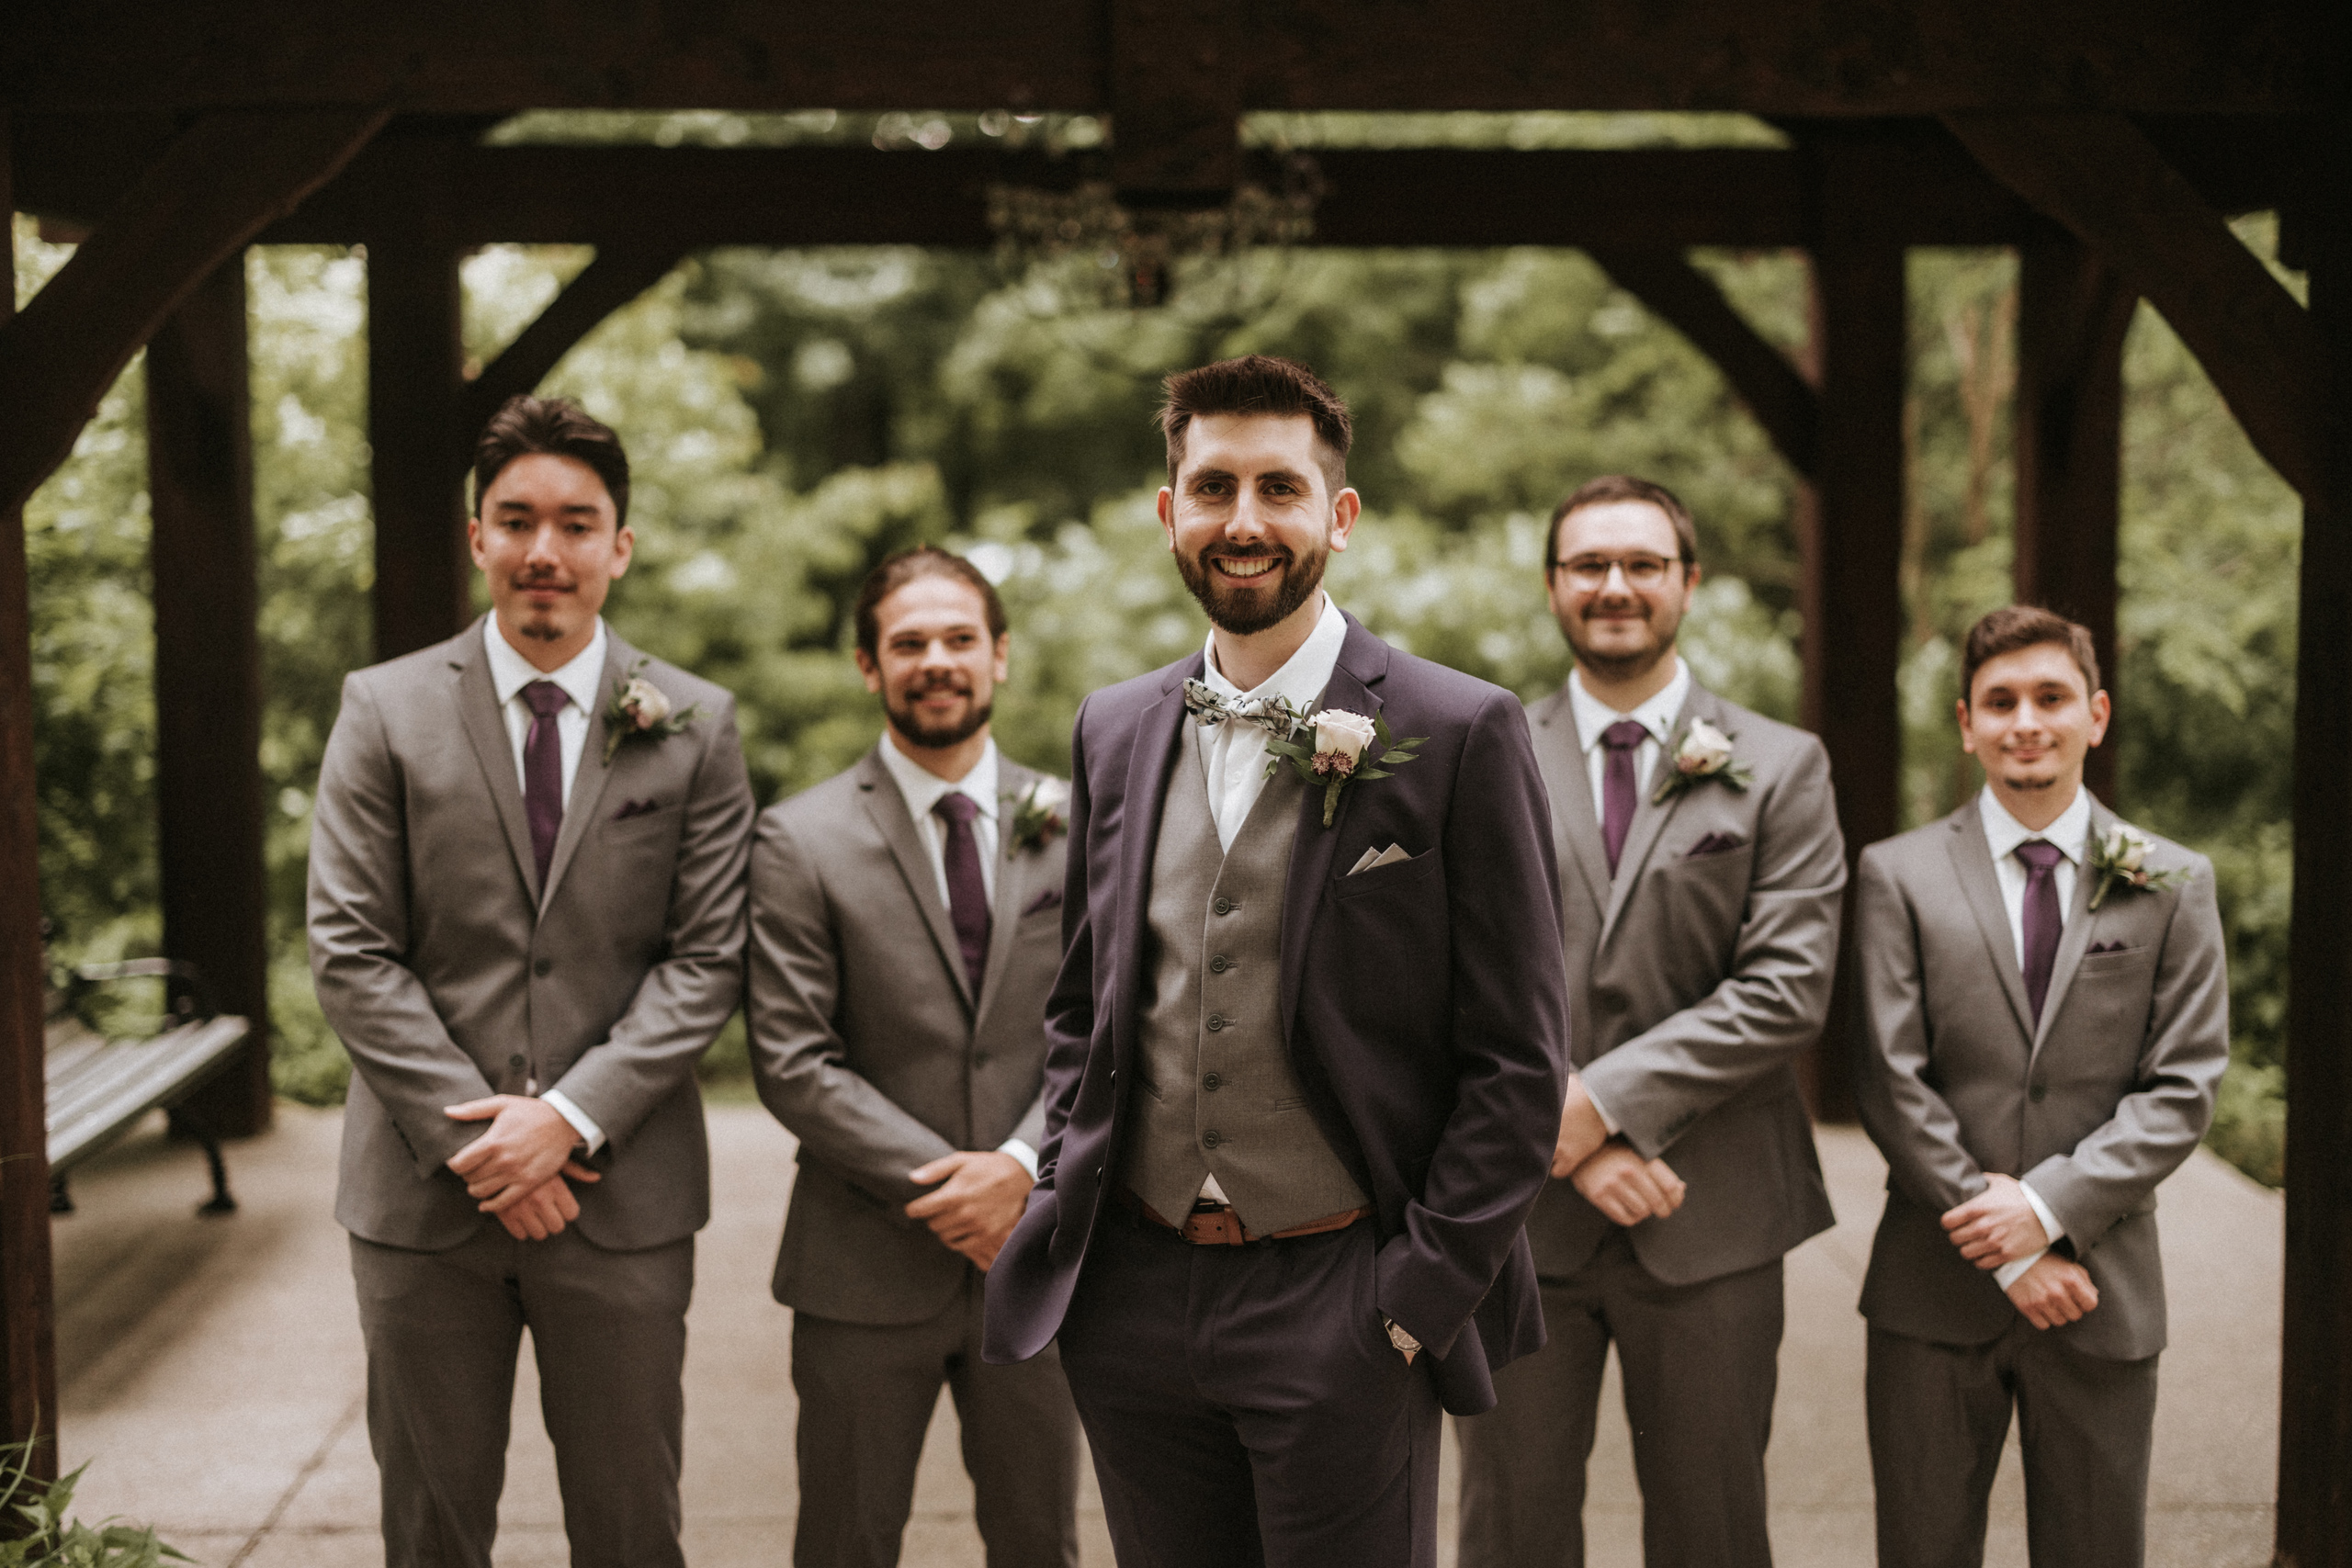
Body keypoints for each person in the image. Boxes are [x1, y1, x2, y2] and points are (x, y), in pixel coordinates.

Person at [982, 354, 1571, 1568]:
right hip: (1135, 1291)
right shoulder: (1114, 723)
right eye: (1211, 487)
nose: (1243, 521)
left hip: (1344, 1291)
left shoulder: (1458, 728)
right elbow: (1087, 1002)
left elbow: (1517, 1058)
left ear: (1337, 515)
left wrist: (1410, 1299)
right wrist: (1062, 1187)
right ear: (1169, 511)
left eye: (1278, 488)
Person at [308, 395, 753, 1568]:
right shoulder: (383, 710)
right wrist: (479, 1145)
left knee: (630, 1529)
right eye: (516, 521)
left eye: (575, 522)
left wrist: (563, 1121)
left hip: (623, 1201)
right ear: (477, 537)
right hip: (422, 1205)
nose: (544, 551)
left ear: (621, 544)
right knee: (432, 1532)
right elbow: (351, 949)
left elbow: (707, 961)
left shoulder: (696, 725)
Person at [1455, 475, 1846, 1568]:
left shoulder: (1783, 766)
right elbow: (1442, 985)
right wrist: (1556, 1139)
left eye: (1641, 564)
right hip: (1512, 1223)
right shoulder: (1479, 758)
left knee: (1713, 1535)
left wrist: (1600, 1107)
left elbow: (1787, 988)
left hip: (1713, 1212)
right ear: (1551, 588)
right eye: (1588, 565)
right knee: (1508, 1533)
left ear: (1689, 583)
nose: (1614, 586)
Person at [1853, 605, 2227, 1568]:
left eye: (2050, 697)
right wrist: (2010, 1246)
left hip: (2100, 1292)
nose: (2026, 719)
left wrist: (2051, 1207)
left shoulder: (2173, 883)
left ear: (2094, 715)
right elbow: (1889, 1077)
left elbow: (2181, 1087)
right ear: (1965, 722)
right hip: (1929, 1297)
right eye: (2000, 700)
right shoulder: (1895, 875)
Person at [746, 546, 1081, 1567]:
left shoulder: (1083, 822)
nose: (935, 660)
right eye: (907, 643)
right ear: (867, 666)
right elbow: (794, 1059)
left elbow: (1109, 1026)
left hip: (1038, 1258)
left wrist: (1020, 1171)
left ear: (1000, 657)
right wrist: (954, 1188)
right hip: (859, 1268)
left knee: (1041, 1542)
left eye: (958, 639)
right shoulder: (796, 840)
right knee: (845, 1543)